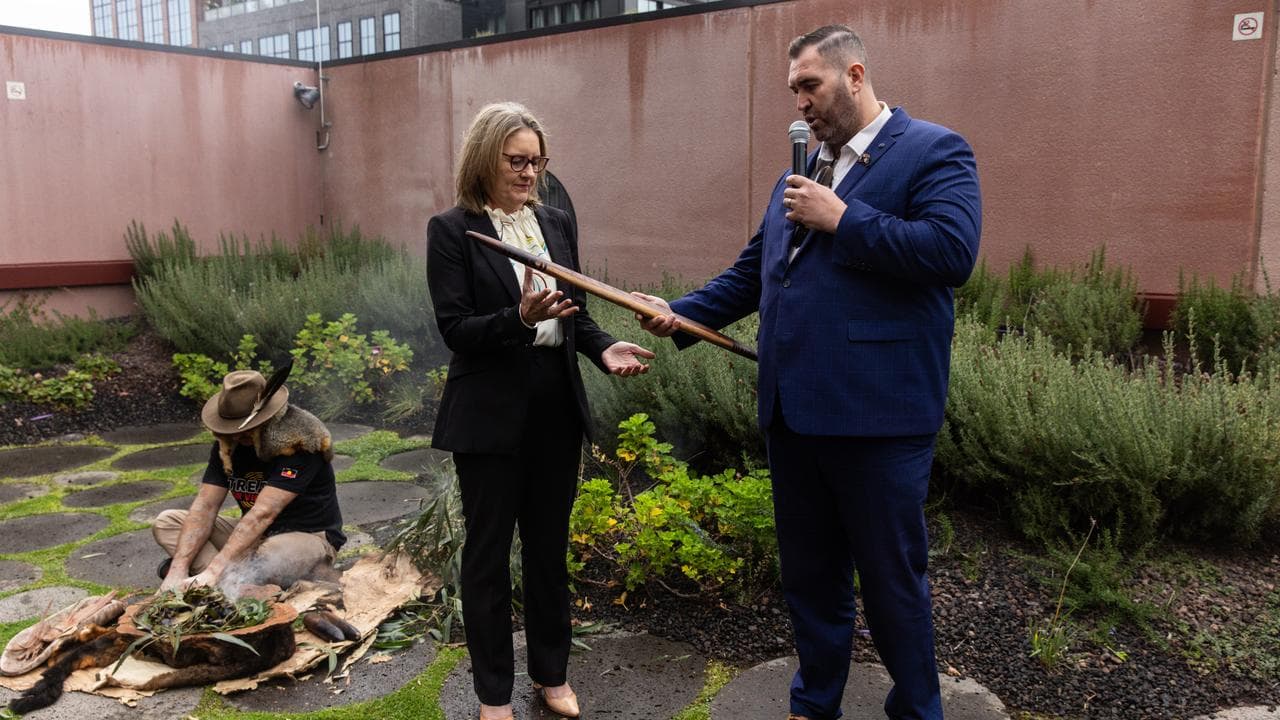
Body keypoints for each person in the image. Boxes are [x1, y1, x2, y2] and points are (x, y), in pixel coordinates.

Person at [633, 25, 981, 720]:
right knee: (812, 579)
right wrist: (678, 312)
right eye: (793, 89)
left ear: (855, 76)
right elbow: (756, 273)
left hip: (880, 416)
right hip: (794, 413)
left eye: (810, 85)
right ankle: (813, 702)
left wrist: (845, 219)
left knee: (891, 584)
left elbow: (951, 252)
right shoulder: (801, 170)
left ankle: (917, 710)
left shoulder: (934, 150)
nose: (800, 101)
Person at [426, 101, 655, 720]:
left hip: (554, 409)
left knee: (550, 552)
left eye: (537, 161)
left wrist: (604, 348)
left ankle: (551, 677)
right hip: (490, 416)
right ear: (485, 159)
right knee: (488, 557)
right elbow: (456, 329)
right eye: (516, 161)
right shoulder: (452, 230)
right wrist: (517, 319)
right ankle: (493, 694)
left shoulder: (554, 222)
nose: (529, 173)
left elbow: (575, 312)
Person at [153, 366, 345, 594]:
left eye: (245, 429)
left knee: (269, 558)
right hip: (253, 539)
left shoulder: (301, 441)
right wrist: (178, 569)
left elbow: (263, 512)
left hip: (306, 538)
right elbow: (206, 505)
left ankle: (218, 582)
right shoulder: (229, 443)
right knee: (167, 522)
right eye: (231, 429)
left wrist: (213, 570)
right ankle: (223, 586)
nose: (236, 436)